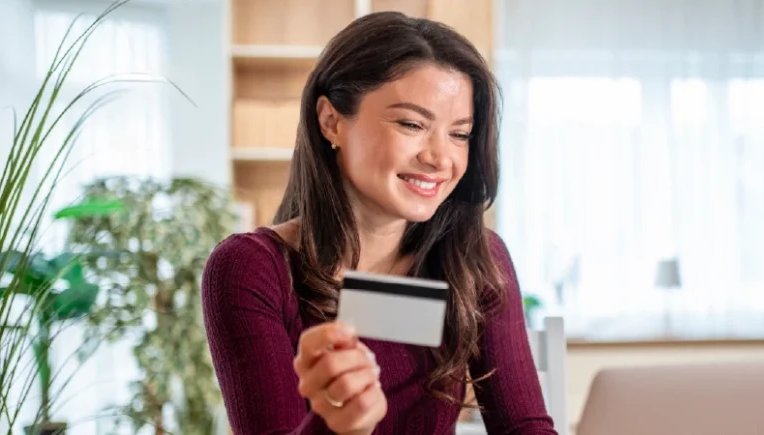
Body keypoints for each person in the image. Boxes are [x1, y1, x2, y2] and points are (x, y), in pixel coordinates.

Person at [201, 11, 558, 435]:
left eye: (459, 134)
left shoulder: (475, 257)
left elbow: (525, 428)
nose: (440, 158)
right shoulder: (251, 269)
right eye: (411, 124)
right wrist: (341, 427)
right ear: (331, 121)